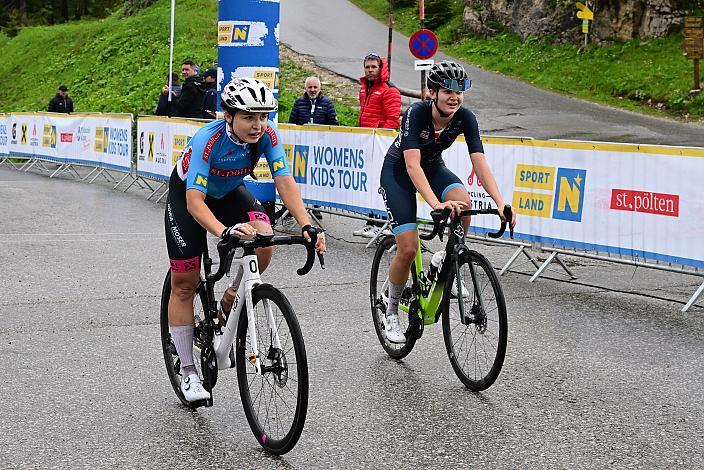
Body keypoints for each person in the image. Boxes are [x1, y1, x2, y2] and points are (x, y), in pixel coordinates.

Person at [164, 77, 326, 402]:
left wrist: (308, 225)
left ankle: (233, 296)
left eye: (263, 116)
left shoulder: (266, 135)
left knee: (264, 238)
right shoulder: (206, 140)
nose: (258, 125)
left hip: (228, 193)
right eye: (249, 117)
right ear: (229, 116)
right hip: (189, 198)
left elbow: (284, 179)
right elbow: (195, 201)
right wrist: (224, 231)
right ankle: (188, 372)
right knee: (185, 282)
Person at [378, 60, 516, 344]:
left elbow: (479, 162)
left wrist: (501, 202)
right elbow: (412, 166)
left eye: (460, 90)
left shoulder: (466, 117)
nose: (454, 96)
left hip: (433, 167)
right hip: (399, 172)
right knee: (407, 247)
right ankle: (390, 310)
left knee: (463, 202)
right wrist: (434, 203)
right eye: (447, 90)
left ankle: (445, 257)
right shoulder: (416, 114)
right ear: (432, 93)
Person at [354, 52, 401, 238]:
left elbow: (393, 120)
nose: (370, 70)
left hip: (381, 145)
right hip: (367, 143)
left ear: (381, 68)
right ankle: (371, 222)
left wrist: (378, 135)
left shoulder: (390, 90)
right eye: (367, 67)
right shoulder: (364, 88)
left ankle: (383, 222)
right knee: (370, 184)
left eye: (374, 67)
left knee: (382, 183)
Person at [287, 76, 338, 220]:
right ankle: (294, 206)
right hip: (302, 147)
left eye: (315, 87)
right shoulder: (299, 103)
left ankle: (315, 207)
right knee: (299, 178)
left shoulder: (327, 103)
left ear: (319, 88)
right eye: (310, 87)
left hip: (319, 148)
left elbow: (334, 124)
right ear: (305, 88)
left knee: (316, 178)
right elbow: (292, 123)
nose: (312, 90)